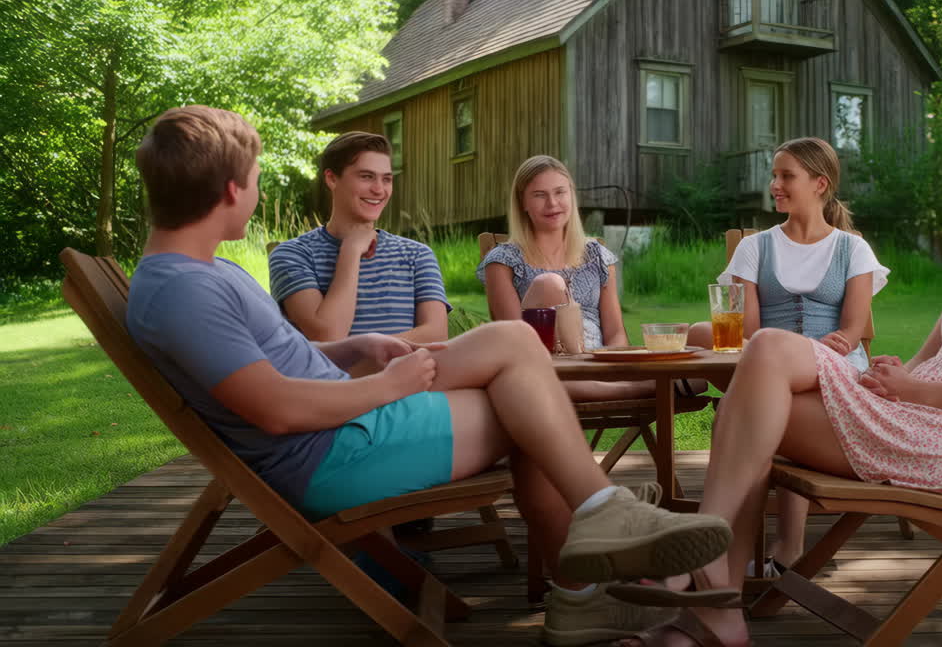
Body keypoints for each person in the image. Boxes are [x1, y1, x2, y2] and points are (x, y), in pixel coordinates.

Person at [124, 106, 732, 646]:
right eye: (256, 182)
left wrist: (355, 347)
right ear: (231, 190)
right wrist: (390, 384)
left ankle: (597, 543)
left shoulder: (204, 272)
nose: (257, 194)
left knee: (517, 343)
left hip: (349, 416)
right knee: (530, 400)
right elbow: (276, 408)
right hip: (335, 450)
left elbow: (282, 360)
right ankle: (596, 545)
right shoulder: (184, 291)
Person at [610, 121, 942, 646]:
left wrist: (917, 391)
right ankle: (718, 604)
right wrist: (894, 378)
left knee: (760, 368)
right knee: (753, 391)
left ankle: (704, 574)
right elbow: (927, 359)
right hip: (906, 414)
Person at [694, 136, 888, 579]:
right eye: (774, 175)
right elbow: (750, 329)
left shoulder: (851, 249)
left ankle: (744, 550)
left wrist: (816, 353)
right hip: (772, 364)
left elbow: (852, 330)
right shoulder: (755, 247)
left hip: (837, 370)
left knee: (752, 412)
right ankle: (767, 549)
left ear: (820, 184)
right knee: (763, 402)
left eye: (786, 176)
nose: (774, 185)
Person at [477, 155, 702, 401]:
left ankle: (619, 387)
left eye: (560, 192)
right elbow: (513, 338)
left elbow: (615, 332)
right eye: (539, 195)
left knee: (699, 373)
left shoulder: (597, 256)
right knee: (548, 285)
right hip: (543, 366)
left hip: (599, 364)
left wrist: (614, 368)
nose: (552, 203)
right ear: (523, 203)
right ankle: (647, 389)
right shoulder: (504, 260)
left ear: (571, 196)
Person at [269, 132, 449, 360]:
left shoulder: (417, 255)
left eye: (387, 179)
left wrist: (368, 352)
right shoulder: (293, 255)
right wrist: (351, 252)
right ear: (332, 179)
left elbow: (437, 333)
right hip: (337, 389)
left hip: (412, 383)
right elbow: (328, 336)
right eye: (366, 177)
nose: (379, 190)